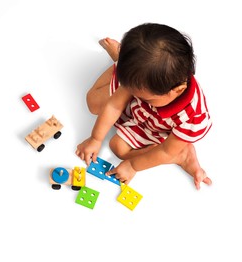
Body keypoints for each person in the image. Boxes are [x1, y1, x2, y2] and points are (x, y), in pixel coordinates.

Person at [75, 23, 212, 190]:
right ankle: (121, 58)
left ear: (177, 90)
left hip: (156, 126)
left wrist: (133, 165)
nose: (132, 94)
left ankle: (181, 155)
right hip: (139, 92)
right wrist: (95, 139)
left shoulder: (191, 119)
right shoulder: (143, 80)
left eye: (146, 98)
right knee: (93, 102)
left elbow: (165, 151)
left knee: (118, 148)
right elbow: (114, 105)